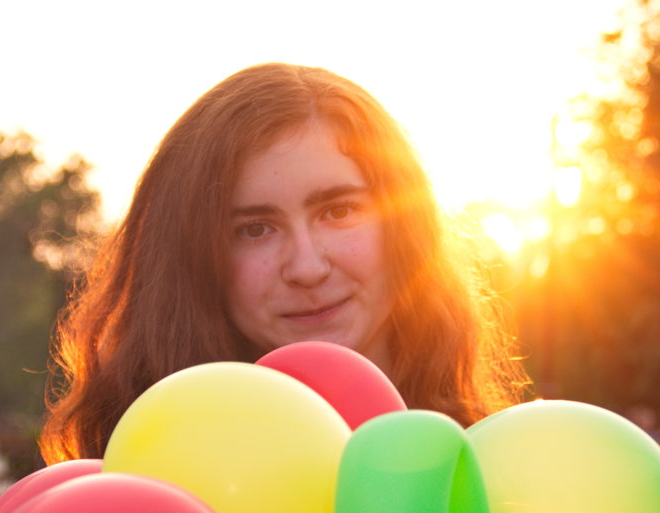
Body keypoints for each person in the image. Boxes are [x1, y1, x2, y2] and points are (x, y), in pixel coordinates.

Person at [39, 62, 529, 464]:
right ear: (192, 263)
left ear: (404, 228)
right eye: (255, 229)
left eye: (338, 211)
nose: (307, 267)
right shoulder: (133, 482)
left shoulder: (511, 470)